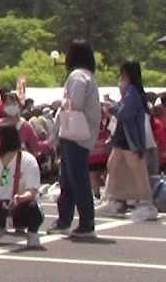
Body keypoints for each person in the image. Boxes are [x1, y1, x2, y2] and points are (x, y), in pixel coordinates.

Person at [48, 39, 100, 238]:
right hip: (82, 133)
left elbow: (74, 103)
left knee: (76, 179)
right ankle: (66, 219)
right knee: (69, 179)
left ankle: (85, 222)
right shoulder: (88, 76)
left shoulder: (77, 76)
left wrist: (59, 103)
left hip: (74, 133)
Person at [101, 61, 159, 221]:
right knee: (113, 165)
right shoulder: (133, 91)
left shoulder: (132, 91)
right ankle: (111, 199)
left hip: (130, 136)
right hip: (124, 135)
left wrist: (111, 108)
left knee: (137, 170)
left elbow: (125, 113)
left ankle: (146, 204)